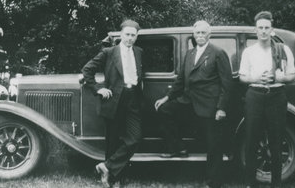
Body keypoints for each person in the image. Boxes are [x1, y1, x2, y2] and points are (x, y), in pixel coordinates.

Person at [154, 20, 232, 188]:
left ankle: (213, 182)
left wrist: (221, 108)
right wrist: (167, 98)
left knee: (213, 144)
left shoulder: (218, 53)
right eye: (197, 33)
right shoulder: (190, 54)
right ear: (194, 35)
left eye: (204, 33)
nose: (200, 36)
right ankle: (177, 147)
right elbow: (181, 80)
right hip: (188, 101)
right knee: (165, 110)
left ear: (209, 35)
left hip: (209, 105)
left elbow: (227, 84)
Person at [82, 19, 142, 188]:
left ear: (137, 36)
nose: (130, 38)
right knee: (113, 141)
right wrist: (97, 89)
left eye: (133, 35)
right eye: (127, 34)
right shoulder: (109, 52)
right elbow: (87, 69)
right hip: (113, 101)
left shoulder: (139, 52)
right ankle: (113, 179)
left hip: (133, 99)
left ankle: (106, 167)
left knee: (134, 138)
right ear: (121, 35)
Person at [239, 11, 295, 188]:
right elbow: (242, 77)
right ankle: (250, 183)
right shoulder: (248, 52)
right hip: (254, 96)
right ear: (255, 30)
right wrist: (256, 78)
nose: (263, 31)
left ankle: (276, 184)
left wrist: (278, 78)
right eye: (260, 28)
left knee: (276, 142)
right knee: (251, 141)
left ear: (272, 30)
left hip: (276, 97)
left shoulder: (283, 50)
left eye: (266, 28)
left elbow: (292, 76)